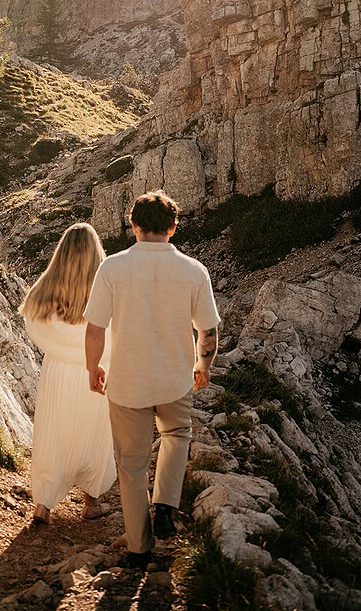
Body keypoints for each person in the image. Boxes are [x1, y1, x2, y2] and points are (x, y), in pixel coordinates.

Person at [84, 190, 220, 570]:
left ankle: (138, 550)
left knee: (131, 464)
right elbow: (207, 329)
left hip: (126, 382)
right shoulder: (194, 271)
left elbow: (95, 327)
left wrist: (93, 366)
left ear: (133, 226)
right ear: (174, 228)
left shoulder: (112, 268)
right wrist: (203, 365)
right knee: (177, 435)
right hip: (175, 379)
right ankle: (165, 503)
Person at [21, 223, 117, 524]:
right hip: (97, 368)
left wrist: (59, 347)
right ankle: (91, 502)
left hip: (58, 369)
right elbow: (121, 329)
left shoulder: (48, 285)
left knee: (54, 434)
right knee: (95, 434)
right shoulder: (107, 283)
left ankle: (44, 505)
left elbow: (32, 322)